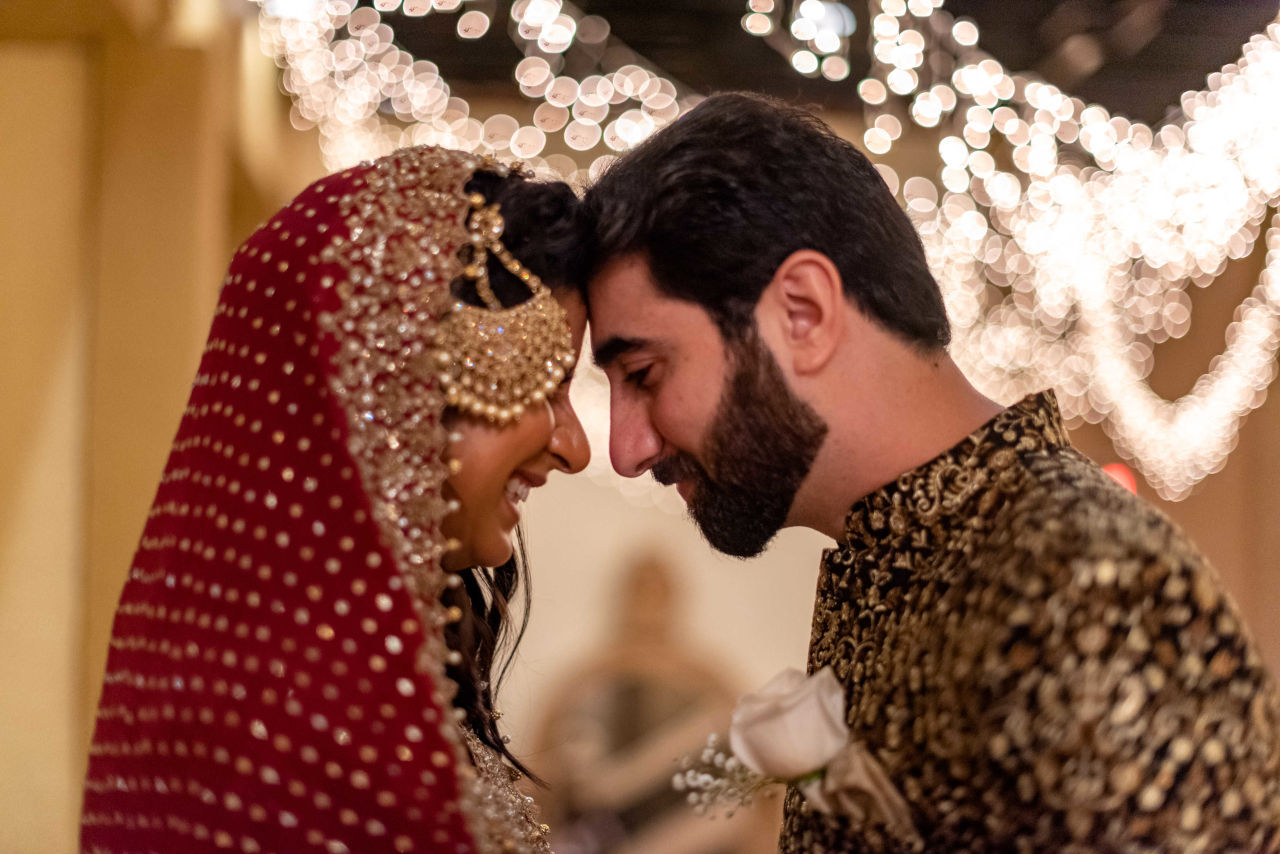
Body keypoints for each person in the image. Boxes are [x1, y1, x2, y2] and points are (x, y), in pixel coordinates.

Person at [581, 92, 1280, 852]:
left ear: (804, 313)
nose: (625, 448)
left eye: (644, 373)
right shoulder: (904, 560)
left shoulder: (1086, 581)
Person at [81, 146, 590, 854]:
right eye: (547, 383)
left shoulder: (302, 684)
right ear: (395, 377)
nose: (577, 447)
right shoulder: (310, 738)